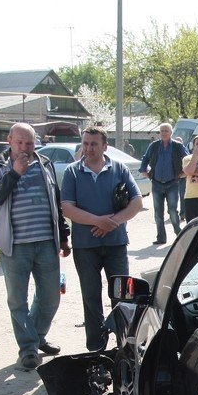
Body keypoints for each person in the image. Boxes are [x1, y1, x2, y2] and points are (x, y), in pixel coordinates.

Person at [0, 123, 71, 370]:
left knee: (51, 297)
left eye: (29, 143)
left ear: (36, 143)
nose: (24, 148)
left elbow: (56, 201)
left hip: (46, 242)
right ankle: (29, 348)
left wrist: (63, 237)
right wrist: (15, 173)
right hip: (15, 245)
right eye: (19, 142)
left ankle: (37, 336)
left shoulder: (45, 164)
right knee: (17, 300)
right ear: (9, 140)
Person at [60, 127, 143, 352]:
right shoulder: (72, 172)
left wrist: (112, 222)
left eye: (94, 144)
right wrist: (97, 221)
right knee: (91, 297)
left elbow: (137, 203)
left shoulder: (119, 169)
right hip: (85, 246)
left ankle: (124, 345)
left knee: (123, 296)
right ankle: (96, 349)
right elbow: (67, 208)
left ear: (105, 146)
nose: (89, 148)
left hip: (116, 244)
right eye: (85, 144)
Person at [139, 123, 188, 245]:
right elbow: (145, 158)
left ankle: (179, 234)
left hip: (172, 183)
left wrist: (184, 172)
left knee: (172, 211)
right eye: (162, 131)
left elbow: (187, 158)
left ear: (171, 133)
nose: (164, 133)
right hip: (156, 184)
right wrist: (143, 170)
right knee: (158, 213)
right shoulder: (154, 146)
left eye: (166, 131)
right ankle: (161, 238)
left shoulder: (177, 146)